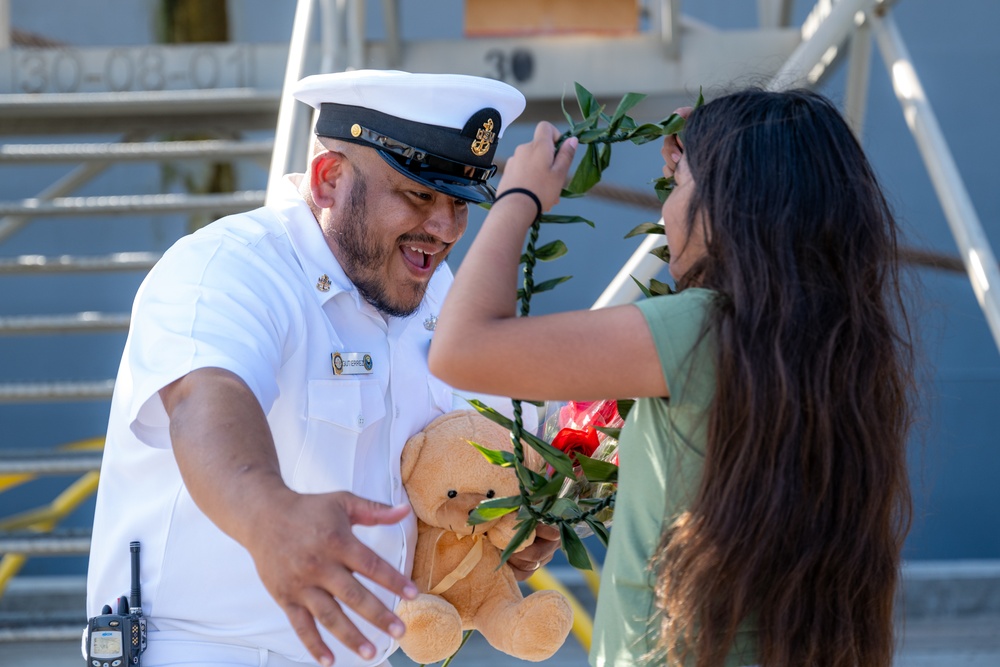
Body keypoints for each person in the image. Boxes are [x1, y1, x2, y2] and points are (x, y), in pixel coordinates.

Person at [86, 69, 559, 667]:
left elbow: (450, 461)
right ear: (330, 178)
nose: (443, 229)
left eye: (459, 202)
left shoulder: (430, 287)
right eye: (419, 194)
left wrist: (500, 530)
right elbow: (206, 399)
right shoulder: (229, 266)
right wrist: (267, 512)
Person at [429, 88, 915, 667]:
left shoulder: (698, 329)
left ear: (732, 207)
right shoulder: (840, 347)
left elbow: (461, 349)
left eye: (679, 187)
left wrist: (519, 195)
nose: (665, 211)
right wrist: (708, 147)